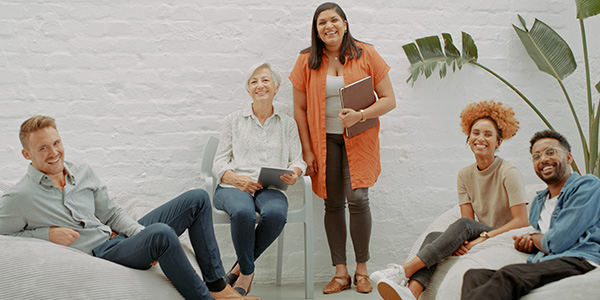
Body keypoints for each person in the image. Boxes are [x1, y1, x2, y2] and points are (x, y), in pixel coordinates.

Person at [0, 115, 260, 300]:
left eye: (56, 143)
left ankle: (217, 286)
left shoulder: (81, 172)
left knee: (197, 199)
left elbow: (112, 213)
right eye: (42, 148)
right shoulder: (20, 196)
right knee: (162, 234)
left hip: (119, 239)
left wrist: (139, 235)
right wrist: (45, 235)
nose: (53, 152)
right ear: (27, 154)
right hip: (102, 253)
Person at [288, 2, 396, 294]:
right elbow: (299, 110)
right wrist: (307, 151)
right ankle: (341, 273)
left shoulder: (367, 53)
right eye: (321, 23)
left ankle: (362, 270)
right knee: (332, 203)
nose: (328, 26)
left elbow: (388, 99)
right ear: (317, 30)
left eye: (334, 20)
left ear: (345, 24)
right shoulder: (306, 60)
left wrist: (360, 115)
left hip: (359, 139)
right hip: (324, 143)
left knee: (358, 199)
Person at [374, 100, 529, 300]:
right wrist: (464, 241)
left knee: (460, 226)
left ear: (499, 142)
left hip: (505, 235)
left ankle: (404, 270)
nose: (480, 138)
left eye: (488, 134)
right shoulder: (464, 175)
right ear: (468, 137)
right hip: (478, 231)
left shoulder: (509, 172)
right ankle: (412, 293)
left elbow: (521, 221)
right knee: (433, 237)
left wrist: (483, 239)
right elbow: (466, 222)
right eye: (475, 133)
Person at [461, 130, 600, 299]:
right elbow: (546, 239)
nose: (543, 160)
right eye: (536, 156)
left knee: (509, 275)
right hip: (546, 262)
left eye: (550, 152)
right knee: (474, 276)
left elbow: (559, 240)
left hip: (580, 259)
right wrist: (529, 243)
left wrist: (533, 238)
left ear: (569, 158)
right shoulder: (538, 203)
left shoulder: (587, 186)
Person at [212, 62, 307, 296]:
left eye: (265, 80)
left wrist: (295, 172)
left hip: (270, 187)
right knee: (243, 212)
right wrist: (237, 180)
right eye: (253, 82)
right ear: (248, 90)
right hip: (233, 187)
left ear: (276, 86)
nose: (260, 85)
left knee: (275, 213)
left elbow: (298, 160)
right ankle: (247, 273)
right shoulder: (233, 121)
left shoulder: (287, 123)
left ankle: (238, 269)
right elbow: (218, 163)